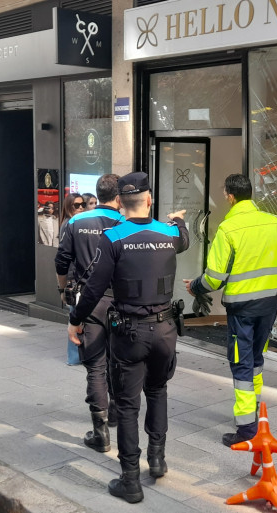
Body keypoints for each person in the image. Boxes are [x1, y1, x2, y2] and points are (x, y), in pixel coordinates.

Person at [68, 172, 188, 503]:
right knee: (158, 390)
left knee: (128, 405)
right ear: (149, 199)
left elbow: (93, 288)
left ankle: (131, 480)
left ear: (120, 202)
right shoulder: (169, 234)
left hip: (131, 333)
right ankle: (158, 460)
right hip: (166, 330)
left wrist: (75, 320)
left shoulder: (113, 238)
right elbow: (184, 239)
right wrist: (177, 221)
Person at [184, 174, 277, 447]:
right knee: (257, 359)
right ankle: (256, 415)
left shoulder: (228, 229)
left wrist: (195, 287)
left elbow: (214, 277)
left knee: (241, 363)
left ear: (229, 195)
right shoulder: (276, 223)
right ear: (251, 194)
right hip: (271, 303)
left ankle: (247, 429)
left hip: (242, 310)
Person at [56, 175, 125, 453]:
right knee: (119, 361)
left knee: (95, 366)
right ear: (119, 197)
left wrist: (63, 291)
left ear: (96, 194)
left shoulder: (76, 221)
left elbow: (62, 260)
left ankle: (101, 434)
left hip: (89, 303)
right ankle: (118, 413)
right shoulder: (127, 222)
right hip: (121, 302)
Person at [60, 192, 86, 366]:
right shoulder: (69, 224)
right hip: (73, 278)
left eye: (82, 204)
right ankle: (74, 357)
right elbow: (64, 258)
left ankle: (78, 355)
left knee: (77, 315)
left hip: (76, 276)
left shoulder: (77, 223)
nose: (80, 208)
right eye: (76, 205)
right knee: (74, 315)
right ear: (68, 207)